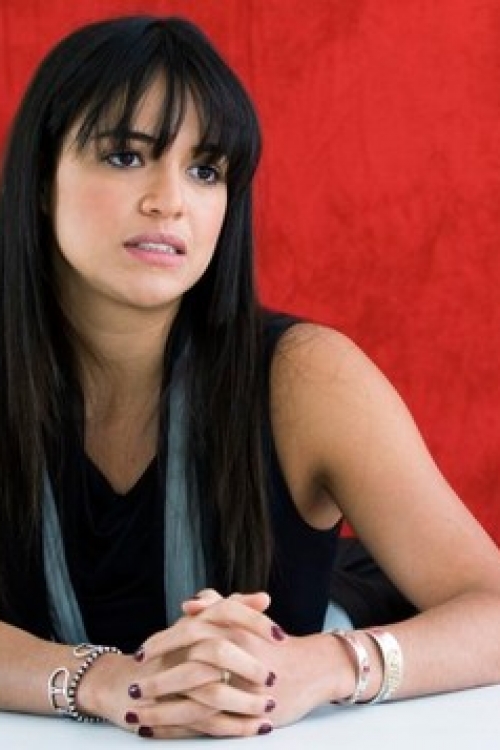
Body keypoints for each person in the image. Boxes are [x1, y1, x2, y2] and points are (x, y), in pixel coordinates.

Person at [0, 14, 499, 741]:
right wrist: (104, 682)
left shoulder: (306, 377)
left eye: (205, 170)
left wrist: (325, 665)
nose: (169, 199)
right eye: (126, 155)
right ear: (42, 179)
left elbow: (492, 605)